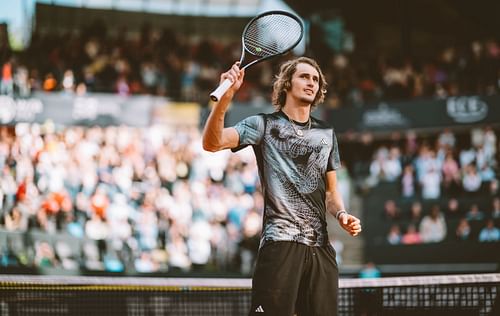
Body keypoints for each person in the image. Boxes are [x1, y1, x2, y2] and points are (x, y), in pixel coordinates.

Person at [202, 57, 362, 316]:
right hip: (280, 245)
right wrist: (226, 98)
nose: (311, 82)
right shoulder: (262, 124)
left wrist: (342, 214)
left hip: (320, 250)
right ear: (287, 83)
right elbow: (212, 142)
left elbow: (332, 192)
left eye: (315, 79)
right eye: (304, 76)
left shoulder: (327, 134)